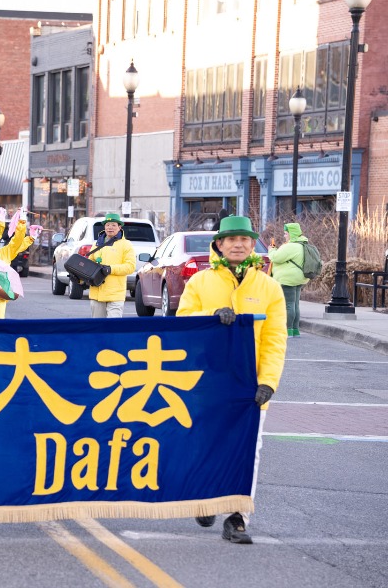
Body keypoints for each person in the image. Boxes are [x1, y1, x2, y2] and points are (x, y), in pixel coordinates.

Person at [177, 216, 287, 545]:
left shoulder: (269, 287)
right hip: (208, 381)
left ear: (253, 245)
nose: (239, 244)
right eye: (231, 239)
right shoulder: (199, 282)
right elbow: (183, 323)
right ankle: (206, 498)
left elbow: (274, 340)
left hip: (249, 383)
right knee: (207, 442)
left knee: (248, 449)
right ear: (219, 245)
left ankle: (237, 517)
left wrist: (268, 382)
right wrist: (209, 317)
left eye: (245, 239)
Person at [87, 213, 135, 318]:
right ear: (104, 227)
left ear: (119, 227)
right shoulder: (97, 244)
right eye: (108, 225)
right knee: (98, 328)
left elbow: (130, 266)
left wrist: (110, 269)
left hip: (115, 295)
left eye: (113, 225)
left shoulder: (126, 245)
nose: (110, 228)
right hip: (97, 294)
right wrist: (80, 278)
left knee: (113, 327)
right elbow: (89, 264)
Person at [268, 222, 310, 337]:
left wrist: (271, 250)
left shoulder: (291, 246)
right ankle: (295, 330)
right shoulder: (302, 244)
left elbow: (276, 258)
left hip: (287, 280)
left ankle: (288, 330)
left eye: (286, 233)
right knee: (295, 304)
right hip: (298, 278)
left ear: (291, 233)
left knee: (288, 305)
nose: (284, 236)